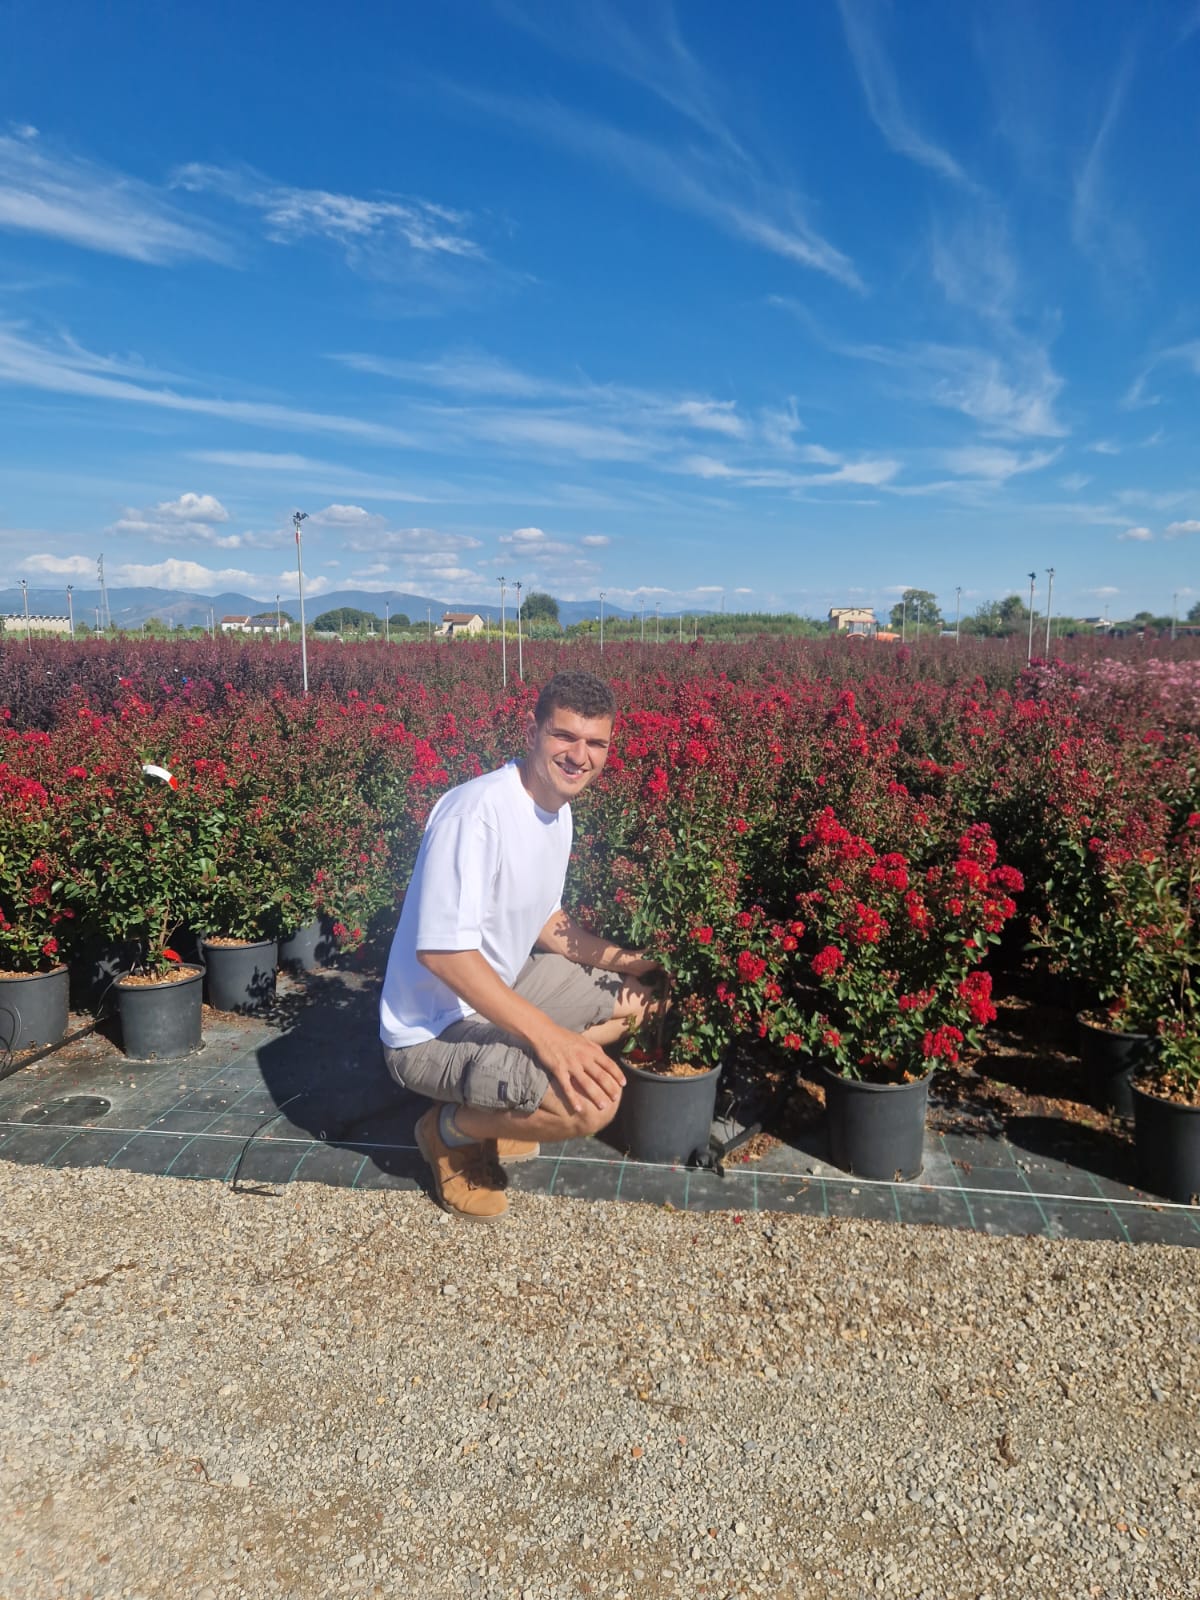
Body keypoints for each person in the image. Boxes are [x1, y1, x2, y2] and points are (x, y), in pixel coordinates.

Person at [379, 670, 664, 1221]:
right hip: (429, 1030)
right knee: (590, 1104)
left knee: (640, 1002)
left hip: (503, 987)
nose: (580, 755)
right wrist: (550, 1040)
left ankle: (499, 1104)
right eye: (565, 736)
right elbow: (441, 954)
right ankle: (447, 1131)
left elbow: (547, 921)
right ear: (533, 731)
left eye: (596, 743)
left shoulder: (558, 813)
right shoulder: (476, 813)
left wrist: (638, 963)